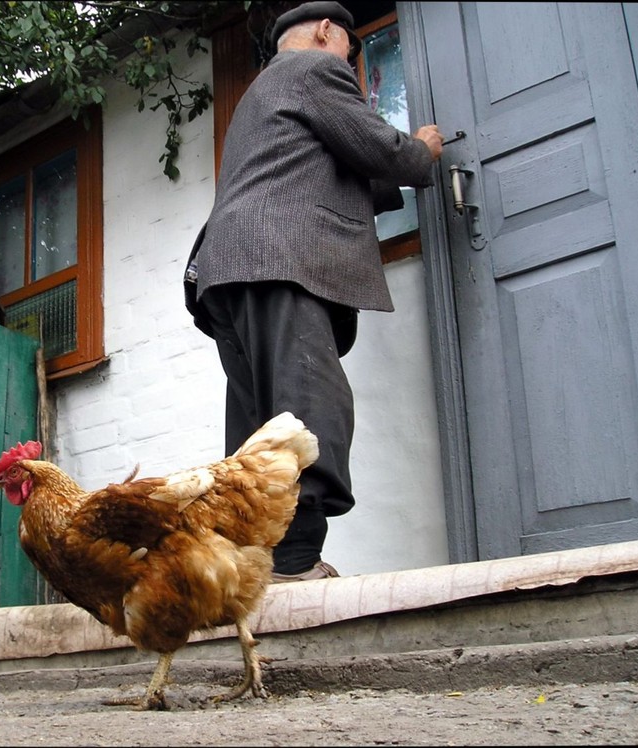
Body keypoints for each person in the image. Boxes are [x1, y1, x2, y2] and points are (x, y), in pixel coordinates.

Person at [184, 1, 444, 581]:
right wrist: (421, 152)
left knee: (259, 423)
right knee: (307, 407)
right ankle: (297, 561)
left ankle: (261, 562)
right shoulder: (314, 70)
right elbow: (378, 147)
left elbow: (321, 165)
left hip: (229, 269)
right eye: (351, 53)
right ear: (327, 32)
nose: (350, 65)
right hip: (280, 260)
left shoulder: (259, 93)